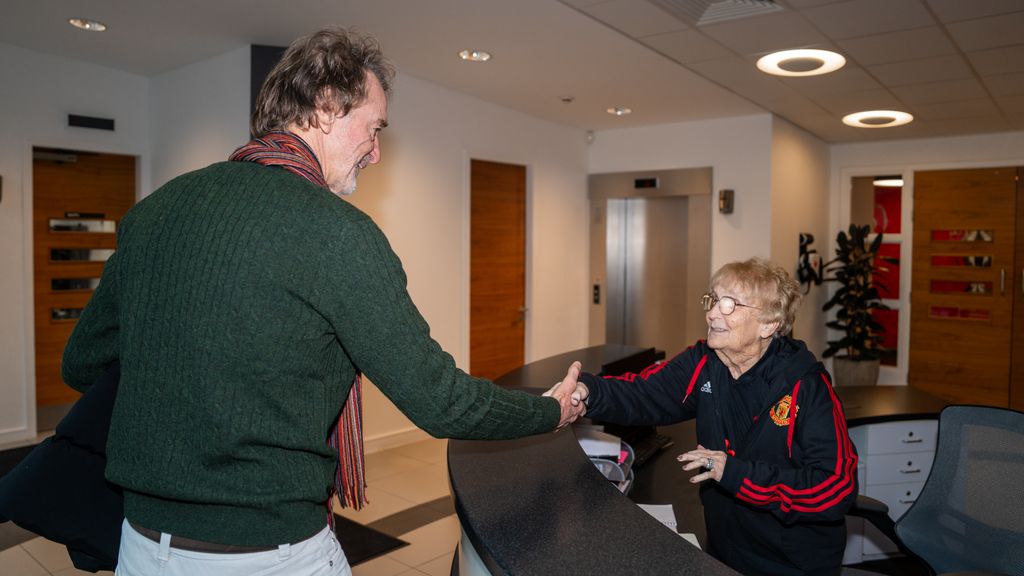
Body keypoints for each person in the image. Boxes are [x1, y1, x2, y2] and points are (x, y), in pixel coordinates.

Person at [61, 27, 584, 576]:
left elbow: (82, 364)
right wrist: (550, 410)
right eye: (374, 128)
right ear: (328, 107)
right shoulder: (337, 234)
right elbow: (439, 401)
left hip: (142, 548)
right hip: (269, 555)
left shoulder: (153, 213)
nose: (377, 152)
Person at [569, 258, 858, 575]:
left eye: (730, 304)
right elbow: (644, 393)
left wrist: (735, 472)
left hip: (790, 563)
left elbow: (836, 487)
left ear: (769, 324)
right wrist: (586, 392)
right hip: (724, 552)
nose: (712, 313)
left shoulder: (806, 387)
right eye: (713, 300)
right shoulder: (704, 362)